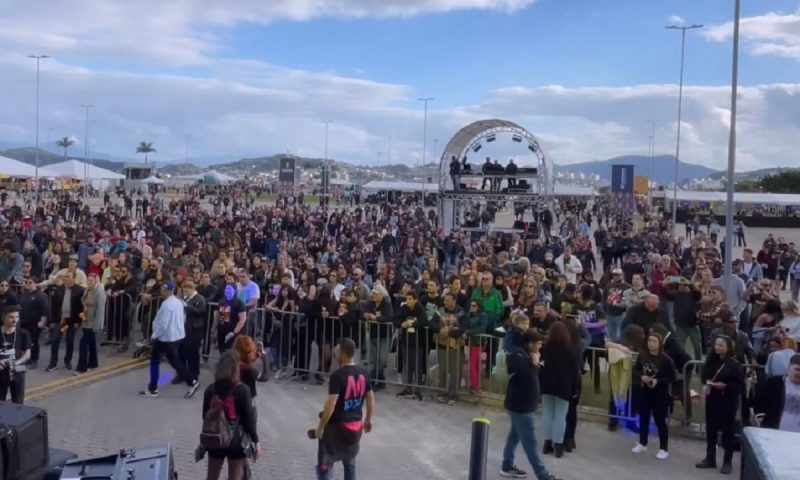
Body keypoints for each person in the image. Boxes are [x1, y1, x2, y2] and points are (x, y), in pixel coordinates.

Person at [501, 315, 560, 480]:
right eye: (538, 344)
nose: (540, 347)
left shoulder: (529, 355)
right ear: (529, 344)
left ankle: (507, 465)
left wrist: (537, 363)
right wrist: (534, 365)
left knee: (514, 436)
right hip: (520, 405)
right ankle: (543, 475)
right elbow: (523, 374)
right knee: (530, 443)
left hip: (524, 404)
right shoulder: (517, 356)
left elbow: (538, 371)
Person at [312, 338, 374, 480]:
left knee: (326, 461)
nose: (335, 351)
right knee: (350, 462)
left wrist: (320, 427)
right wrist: (368, 419)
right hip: (355, 427)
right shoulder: (364, 373)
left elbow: (331, 404)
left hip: (338, 427)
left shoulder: (337, 375)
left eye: (337, 349)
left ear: (344, 353)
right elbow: (370, 397)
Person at [202, 350, 261, 480]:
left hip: (215, 438)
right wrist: (256, 441)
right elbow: (248, 422)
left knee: (211, 476)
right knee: (235, 476)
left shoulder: (210, 390)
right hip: (235, 441)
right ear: (235, 369)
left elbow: (204, 416)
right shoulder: (242, 390)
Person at [139, 279, 199, 399]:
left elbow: (162, 324)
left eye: (162, 288)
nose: (161, 290)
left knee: (155, 362)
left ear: (167, 290)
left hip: (166, 338)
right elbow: (183, 318)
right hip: (176, 337)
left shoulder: (166, 305)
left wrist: (153, 336)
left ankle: (153, 389)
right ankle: (192, 381)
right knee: (174, 361)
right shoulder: (179, 302)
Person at [696, 334, 744, 475]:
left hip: (728, 401)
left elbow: (740, 386)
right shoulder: (711, 361)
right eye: (716, 344)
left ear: (728, 347)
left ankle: (727, 462)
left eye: (721, 345)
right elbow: (704, 377)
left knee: (727, 432)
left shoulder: (734, 365)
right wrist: (710, 382)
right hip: (712, 399)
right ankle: (710, 458)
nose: (717, 347)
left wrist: (726, 386)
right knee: (711, 430)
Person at [630, 332, 676, 460]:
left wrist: (658, 381)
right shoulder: (642, 356)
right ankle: (642, 443)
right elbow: (635, 370)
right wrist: (642, 377)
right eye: (650, 340)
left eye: (654, 341)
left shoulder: (666, 360)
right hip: (644, 392)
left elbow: (672, 377)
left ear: (660, 343)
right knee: (643, 417)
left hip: (660, 394)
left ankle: (663, 448)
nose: (651, 343)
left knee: (660, 420)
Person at [539, 321, 579, 458]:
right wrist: (575, 390)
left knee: (548, 414)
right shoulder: (571, 350)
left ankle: (547, 442)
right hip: (564, 387)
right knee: (561, 416)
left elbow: (541, 367)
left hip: (547, 385)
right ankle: (558, 445)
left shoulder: (545, 348)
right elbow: (575, 372)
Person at [756, 353, 800, 432]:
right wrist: (761, 418)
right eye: (797, 369)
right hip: (774, 431)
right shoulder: (774, 383)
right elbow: (760, 402)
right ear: (789, 367)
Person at [75, 272, 105, 374]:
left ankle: (81, 368)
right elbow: (84, 301)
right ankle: (93, 363)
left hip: (93, 322)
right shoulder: (87, 290)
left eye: (91, 280)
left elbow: (100, 310)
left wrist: (97, 325)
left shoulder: (99, 292)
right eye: (88, 280)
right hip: (86, 319)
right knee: (91, 343)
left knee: (83, 343)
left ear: (96, 281)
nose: (89, 282)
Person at [0, 305, 31, 404]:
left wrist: (16, 362)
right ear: (3, 317)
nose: (15, 320)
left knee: (18, 404)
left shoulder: (23, 333)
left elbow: (27, 354)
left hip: (17, 373)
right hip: (1, 373)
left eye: (17, 317)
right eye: (11, 317)